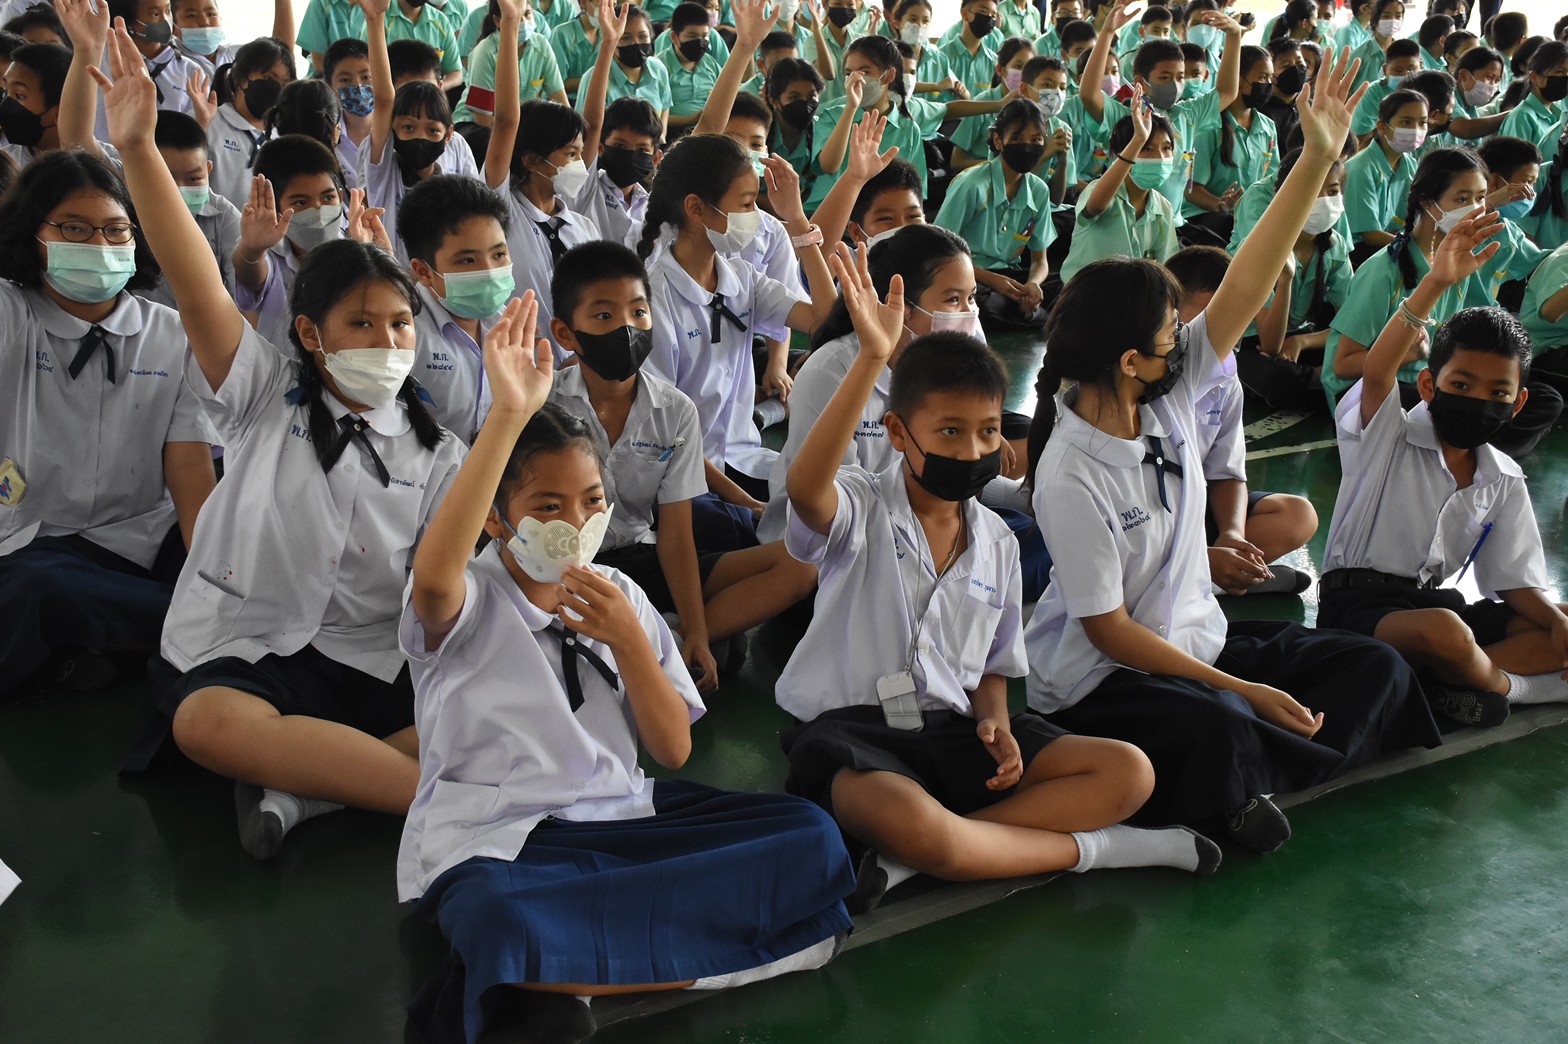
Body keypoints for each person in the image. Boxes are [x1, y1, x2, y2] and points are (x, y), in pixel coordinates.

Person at [399, 270, 852, 1044]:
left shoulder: (618, 593)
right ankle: (719, 953)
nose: (574, 523)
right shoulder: (467, 597)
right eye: (547, 507)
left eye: (590, 503)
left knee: (812, 835)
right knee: (496, 915)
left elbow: (672, 750)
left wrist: (633, 642)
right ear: (499, 522)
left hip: (622, 816)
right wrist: (508, 413)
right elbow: (436, 576)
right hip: (501, 838)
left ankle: (563, 971)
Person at [1023, 47, 1441, 853]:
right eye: (1169, 331)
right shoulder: (1070, 471)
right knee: (1222, 722)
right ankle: (1244, 768)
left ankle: (1242, 781)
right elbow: (1110, 634)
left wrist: (1316, 156)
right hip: (1102, 682)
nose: (1186, 339)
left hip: (1199, 642)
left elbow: (1246, 282)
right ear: (1129, 359)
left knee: (1373, 670)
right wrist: (1241, 688)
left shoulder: (1166, 392)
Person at [96, 22, 466, 859]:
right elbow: (194, 281)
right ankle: (452, 798)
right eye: (360, 324)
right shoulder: (266, 391)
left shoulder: (439, 451)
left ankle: (309, 794)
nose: (386, 342)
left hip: (371, 652)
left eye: (400, 324)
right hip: (252, 644)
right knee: (205, 722)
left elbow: (441, 594)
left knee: (494, 691)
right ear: (309, 333)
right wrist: (138, 148)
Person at [776, 242, 1223, 914]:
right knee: (914, 820)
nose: (973, 449)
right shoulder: (862, 504)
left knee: (1128, 771)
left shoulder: (997, 543)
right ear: (897, 432)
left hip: (951, 731)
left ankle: (923, 860)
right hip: (854, 735)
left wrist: (996, 723)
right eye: (949, 432)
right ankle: (1104, 848)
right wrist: (871, 357)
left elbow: (992, 667)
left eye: (988, 432)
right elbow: (807, 490)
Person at [1319, 215, 1568, 725]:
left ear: (1518, 403)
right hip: (1358, 610)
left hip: (1432, 603)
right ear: (1430, 386)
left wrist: (1556, 622)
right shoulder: (1388, 434)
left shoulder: (1502, 478)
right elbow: (1377, 370)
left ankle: (1449, 681)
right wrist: (1435, 282)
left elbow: (1516, 582)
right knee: (1445, 633)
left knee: (1554, 621)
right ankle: (1508, 689)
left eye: (1498, 392)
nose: (1479, 400)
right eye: (1462, 385)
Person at [547, 242, 817, 686]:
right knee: (724, 651)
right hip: (568, 571)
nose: (627, 327)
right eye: (603, 315)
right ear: (565, 333)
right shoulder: (543, 406)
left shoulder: (674, 410)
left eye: (638, 312)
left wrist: (696, 630)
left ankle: (670, 642)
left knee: (799, 566)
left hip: (642, 556)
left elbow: (675, 534)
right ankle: (662, 647)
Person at [0, 149, 216, 700]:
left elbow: (189, 467)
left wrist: (212, 569)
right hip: (39, 540)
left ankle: (107, 641)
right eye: (74, 228)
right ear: (32, 233)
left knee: (236, 560)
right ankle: (190, 629)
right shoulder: (13, 314)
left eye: (116, 229)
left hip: (145, 539)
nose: (99, 245)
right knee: (36, 589)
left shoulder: (170, 332)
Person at [635, 132, 836, 534]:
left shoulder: (742, 278)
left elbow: (827, 319)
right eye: (745, 204)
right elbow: (669, 436)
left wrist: (798, 221)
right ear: (697, 208)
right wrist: (745, 503)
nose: (755, 216)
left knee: (827, 508)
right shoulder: (653, 300)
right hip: (682, 477)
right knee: (762, 533)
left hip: (743, 457)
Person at [1164, 244, 1319, 597]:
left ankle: (1212, 574)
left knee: (1299, 515)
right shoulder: (1149, 371)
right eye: (1211, 319)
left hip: (1196, 507)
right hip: (1148, 515)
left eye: (1236, 321)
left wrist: (1232, 534)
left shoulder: (1226, 378)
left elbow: (1227, 472)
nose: (1223, 332)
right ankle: (1212, 580)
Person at [399, 173, 516, 444]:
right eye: (468, 261)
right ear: (424, 272)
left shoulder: (508, 325)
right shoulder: (404, 335)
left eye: (499, 255)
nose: (490, 273)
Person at [934, 97, 1054, 328]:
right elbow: (940, 251)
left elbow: (1040, 260)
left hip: (1010, 276)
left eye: (1036, 139)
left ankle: (1027, 309)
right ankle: (1029, 314)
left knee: (1065, 290)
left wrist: (1033, 284)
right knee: (985, 305)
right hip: (969, 274)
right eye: (1017, 138)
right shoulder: (972, 185)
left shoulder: (1039, 190)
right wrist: (992, 280)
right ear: (998, 140)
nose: (1027, 146)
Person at [1058, 93, 1181, 285]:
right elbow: (1096, 206)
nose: (1160, 157)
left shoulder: (1163, 209)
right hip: (1084, 294)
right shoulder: (1101, 190)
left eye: (1166, 148)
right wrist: (1138, 139)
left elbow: (1167, 268)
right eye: (1147, 148)